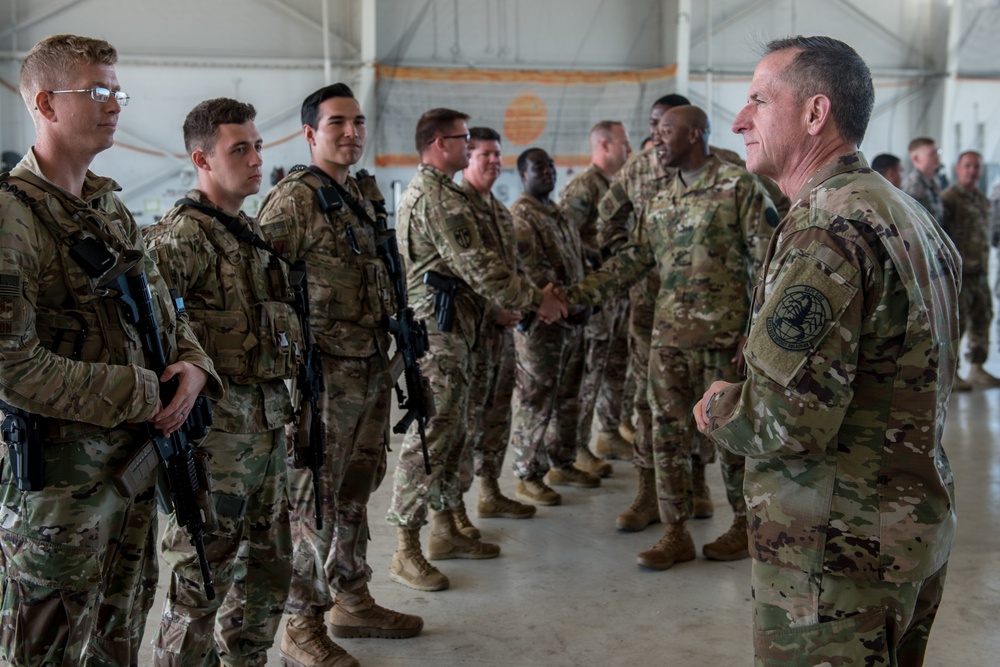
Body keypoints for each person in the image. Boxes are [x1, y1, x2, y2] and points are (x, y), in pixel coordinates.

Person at [694, 35, 960, 665]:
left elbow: (787, 417)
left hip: (836, 554)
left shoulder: (829, 228)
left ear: (815, 114)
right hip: (905, 528)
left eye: (759, 99)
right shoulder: (903, 212)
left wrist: (717, 409)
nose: (738, 120)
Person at [0, 34, 222, 666]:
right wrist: (148, 392)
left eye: (116, 91)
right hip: (61, 496)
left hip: (130, 473)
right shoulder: (11, 218)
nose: (115, 104)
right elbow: (11, 367)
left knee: (119, 636)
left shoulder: (108, 207)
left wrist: (196, 368)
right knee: (47, 650)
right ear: (45, 103)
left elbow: (161, 309)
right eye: (96, 92)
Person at [564, 105, 776, 568]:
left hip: (724, 340)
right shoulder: (660, 197)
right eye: (656, 134)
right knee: (666, 437)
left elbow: (769, 263)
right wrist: (577, 295)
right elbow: (632, 260)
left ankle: (743, 525)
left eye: (665, 132)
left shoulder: (737, 185)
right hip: (668, 340)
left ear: (695, 133)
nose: (657, 141)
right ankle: (675, 531)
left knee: (732, 438)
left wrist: (755, 331)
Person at [258, 83, 422, 667]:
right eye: (336, 124)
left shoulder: (362, 193)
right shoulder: (291, 202)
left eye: (357, 122)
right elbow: (261, 290)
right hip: (321, 380)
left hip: (370, 369)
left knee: (357, 492)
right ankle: (300, 624)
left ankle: (351, 597)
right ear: (310, 133)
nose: (351, 132)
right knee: (315, 505)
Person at [386, 108, 566, 593]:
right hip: (438, 336)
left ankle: (445, 529)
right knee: (429, 441)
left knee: (451, 436)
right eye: (464, 140)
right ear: (440, 143)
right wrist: (536, 300)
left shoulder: (443, 192)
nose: (470, 147)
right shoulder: (436, 196)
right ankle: (405, 548)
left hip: (459, 331)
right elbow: (479, 266)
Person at [143, 98, 296, 666]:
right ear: (202, 159)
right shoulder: (180, 239)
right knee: (200, 584)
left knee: (270, 568)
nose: (257, 158)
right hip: (213, 447)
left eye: (257, 145)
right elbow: (150, 337)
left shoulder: (248, 233)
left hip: (265, 432)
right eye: (240, 149)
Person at [509, 147, 599, 505]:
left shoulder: (558, 213)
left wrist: (584, 300)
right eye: (538, 167)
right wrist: (566, 304)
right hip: (543, 324)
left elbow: (576, 262)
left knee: (568, 396)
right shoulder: (521, 216)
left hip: (572, 321)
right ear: (522, 174)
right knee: (536, 399)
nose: (547, 172)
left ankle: (561, 460)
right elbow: (532, 272)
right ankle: (526, 473)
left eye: (550, 166)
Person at [457, 127, 537, 527]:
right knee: (464, 422)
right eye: (483, 154)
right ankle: (452, 512)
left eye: (497, 154)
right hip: (470, 334)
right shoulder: (459, 208)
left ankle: (489, 491)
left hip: (504, 336)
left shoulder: (497, 211)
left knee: (497, 416)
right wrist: (495, 310)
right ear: (466, 157)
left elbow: (511, 270)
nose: (492, 161)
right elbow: (465, 274)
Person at [558, 121, 632, 479]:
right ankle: (576, 448)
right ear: (603, 145)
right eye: (623, 142)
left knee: (613, 368)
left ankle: (608, 433)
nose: (628, 148)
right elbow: (563, 240)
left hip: (616, 297)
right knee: (587, 376)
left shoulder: (615, 185)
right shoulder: (584, 187)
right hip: (594, 299)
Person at [942, 150, 1000, 390]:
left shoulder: (983, 200)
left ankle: (977, 367)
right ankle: (951, 374)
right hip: (960, 274)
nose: (972, 171)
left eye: (976, 167)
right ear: (958, 168)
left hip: (981, 271)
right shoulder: (949, 199)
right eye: (967, 166)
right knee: (958, 323)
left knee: (983, 318)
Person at [903, 137, 945, 223]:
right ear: (916, 158)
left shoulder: (934, 181)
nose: (937, 156)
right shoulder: (913, 186)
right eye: (932, 153)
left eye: (938, 152)